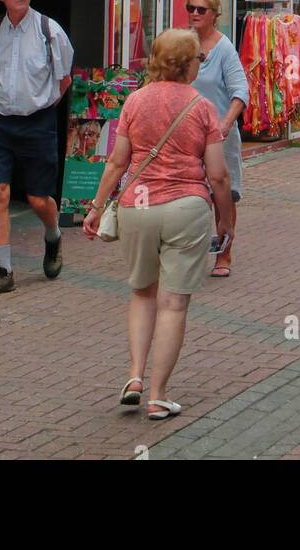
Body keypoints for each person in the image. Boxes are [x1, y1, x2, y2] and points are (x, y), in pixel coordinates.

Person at [82, 29, 235, 420]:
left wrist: (97, 207)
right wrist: (226, 220)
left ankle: (134, 376)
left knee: (142, 293)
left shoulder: (134, 101)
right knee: (174, 303)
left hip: (138, 207)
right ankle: (158, 394)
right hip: (186, 207)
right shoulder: (202, 108)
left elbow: (117, 161)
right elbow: (217, 175)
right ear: (187, 64)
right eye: (198, 59)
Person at [0, 0, 74, 296]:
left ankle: (53, 234)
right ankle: (5, 270)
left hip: (38, 121)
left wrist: (41, 108)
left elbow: (65, 78)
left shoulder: (50, 31)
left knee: (37, 198)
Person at [185, 0, 249, 277]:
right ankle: (188, 251)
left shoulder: (224, 49)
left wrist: (225, 124)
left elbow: (240, 92)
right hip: (186, 134)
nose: (195, 14)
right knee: (189, 193)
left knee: (222, 194)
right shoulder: (184, 43)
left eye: (201, 10)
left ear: (215, 14)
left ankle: (225, 254)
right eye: (191, 8)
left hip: (219, 134)